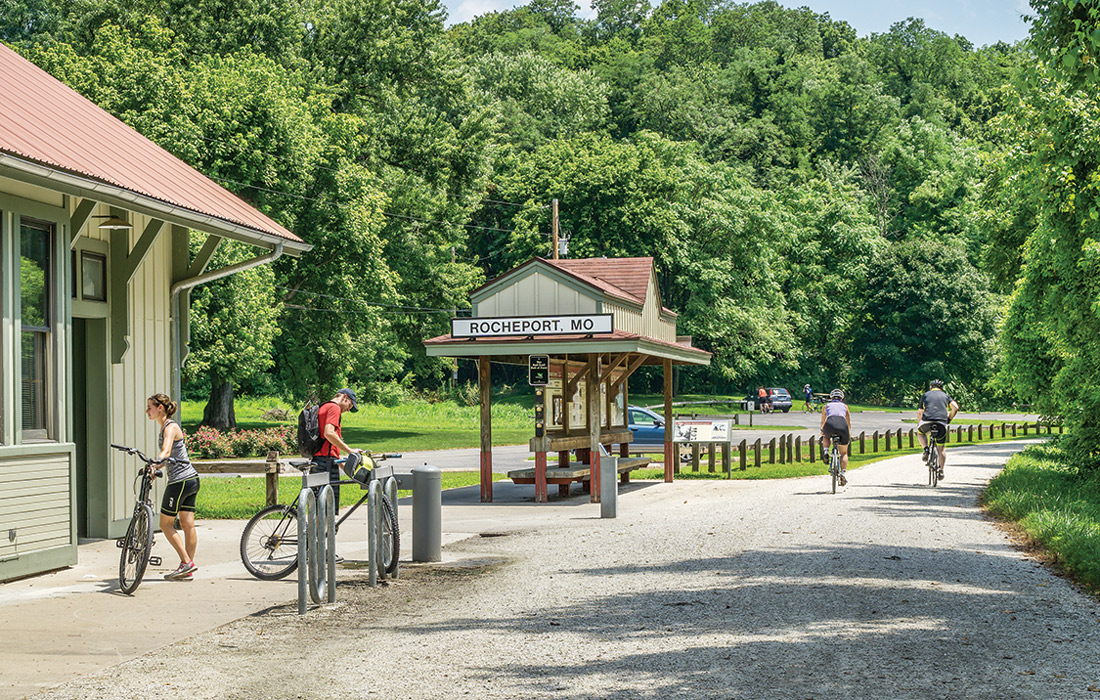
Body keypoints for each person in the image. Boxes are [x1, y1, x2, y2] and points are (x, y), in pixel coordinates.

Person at [146, 393, 200, 581]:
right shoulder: (167, 427)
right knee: (187, 524)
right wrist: (157, 467)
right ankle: (187, 568)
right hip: (192, 478)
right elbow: (169, 458)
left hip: (179, 481)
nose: (147, 411)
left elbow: (166, 451)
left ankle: (186, 562)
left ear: (160, 408)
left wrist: (155, 462)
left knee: (165, 524)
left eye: (150, 408)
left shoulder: (170, 427)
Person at [313, 388, 363, 512]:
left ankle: (319, 531)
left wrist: (345, 467)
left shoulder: (323, 406)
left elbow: (329, 446)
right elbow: (329, 433)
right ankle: (322, 532)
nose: (348, 409)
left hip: (320, 460)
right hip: (326, 464)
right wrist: (349, 450)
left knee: (319, 507)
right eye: (349, 405)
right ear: (344, 397)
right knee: (326, 509)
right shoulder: (334, 408)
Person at [917, 379, 959, 480]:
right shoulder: (946, 396)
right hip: (941, 423)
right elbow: (955, 407)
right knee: (941, 448)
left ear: (931, 387)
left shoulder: (926, 395)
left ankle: (926, 449)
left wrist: (919, 423)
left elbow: (920, 413)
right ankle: (941, 470)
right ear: (941, 388)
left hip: (927, 421)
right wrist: (949, 419)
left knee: (920, 432)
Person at [820, 389, 852, 486]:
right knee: (843, 453)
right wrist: (848, 432)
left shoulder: (826, 406)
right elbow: (848, 422)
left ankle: (826, 451)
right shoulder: (845, 407)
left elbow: (823, 421)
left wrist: (822, 430)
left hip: (829, 424)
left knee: (825, 436)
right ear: (841, 398)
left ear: (831, 398)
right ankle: (842, 473)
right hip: (842, 426)